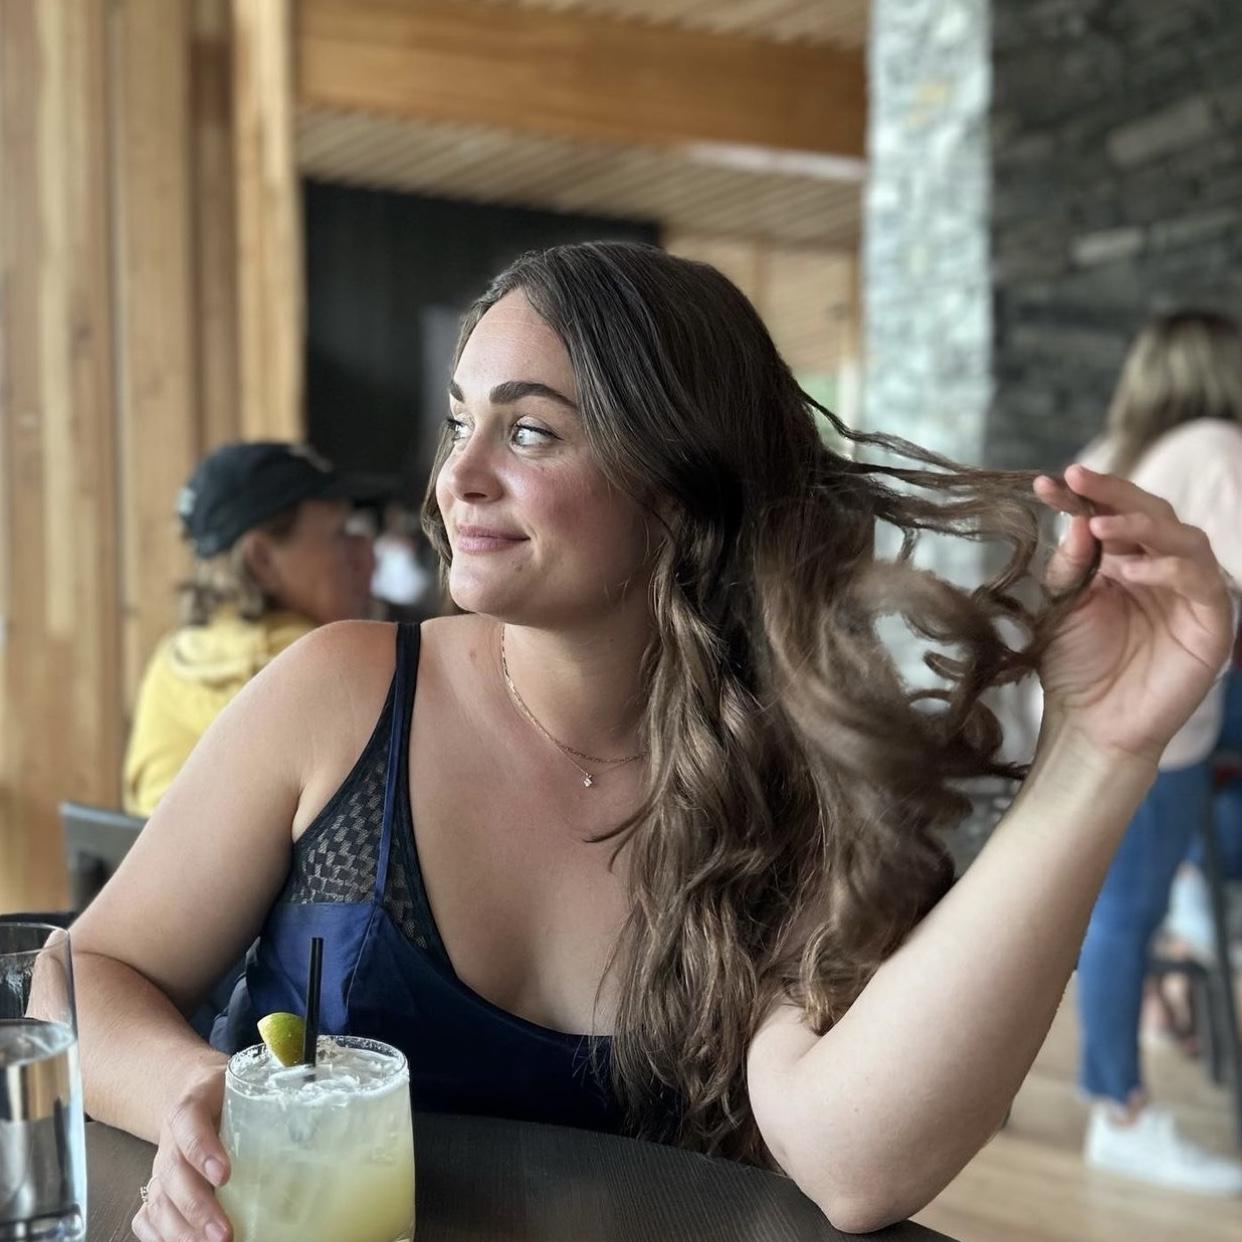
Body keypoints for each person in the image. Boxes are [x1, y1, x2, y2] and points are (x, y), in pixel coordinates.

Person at [68, 243, 1238, 1242]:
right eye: (461, 421)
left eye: (530, 431)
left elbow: (852, 1164)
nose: (456, 477)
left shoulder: (784, 779)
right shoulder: (342, 693)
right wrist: (194, 1094)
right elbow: (84, 979)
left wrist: (1097, 757)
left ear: (678, 489)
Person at [1068, 311, 1242, 1192]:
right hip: (1159, 727)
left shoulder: (1112, 451)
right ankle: (1119, 1112)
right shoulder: (1217, 448)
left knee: (1120, 907)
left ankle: (1192, 907)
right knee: (1121, 915)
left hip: (1085, 712)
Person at [122, 442, 377, 816]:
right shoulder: (318, 661)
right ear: (261, 560)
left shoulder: (170, 657)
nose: (366, 553)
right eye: (340, 533)